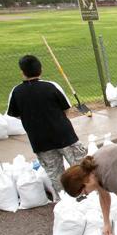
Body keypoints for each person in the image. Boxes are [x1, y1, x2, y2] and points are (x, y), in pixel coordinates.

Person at [6, 55, 86, 193]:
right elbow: (66, 108)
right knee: (79, 167)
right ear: (40, 70)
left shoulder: (16, 92)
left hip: (39, 141)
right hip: (64, 135)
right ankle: (85, 193)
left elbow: (16, 114)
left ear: (22, 72)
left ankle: (64, 197)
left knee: (54, 172)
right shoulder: (51, 86)